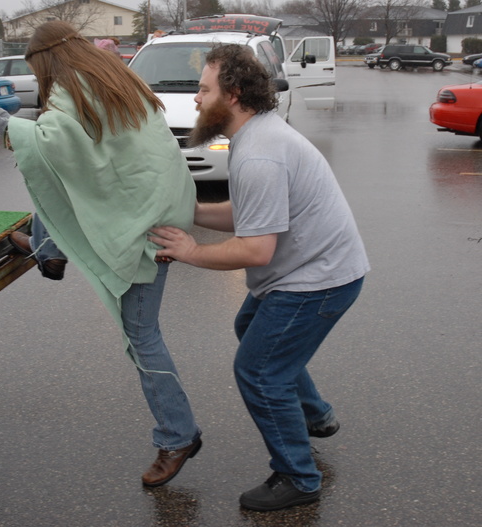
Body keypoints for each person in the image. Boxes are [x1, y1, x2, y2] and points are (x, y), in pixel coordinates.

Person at [0, 21, 202, 487]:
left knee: (142, 338)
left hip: (148, 229)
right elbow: (80, 161)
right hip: (161, 205)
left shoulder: (75, 90)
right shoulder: (113, 74)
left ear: (47, 61)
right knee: (61, 177)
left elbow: (52, 148)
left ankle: (178, 435)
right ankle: (50, 249)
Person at [149, 44, 370, 511]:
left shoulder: (259, 155)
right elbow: (248, 215)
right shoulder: (256, 136)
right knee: (250, 328)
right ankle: (315, 416)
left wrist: (190, 251)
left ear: (231, 95)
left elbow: (255, 247)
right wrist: (187, 214)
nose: (194, 99)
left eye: (203, 90)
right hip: (320, 269)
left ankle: (298, 477)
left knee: (259, 371)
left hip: (319, 280)